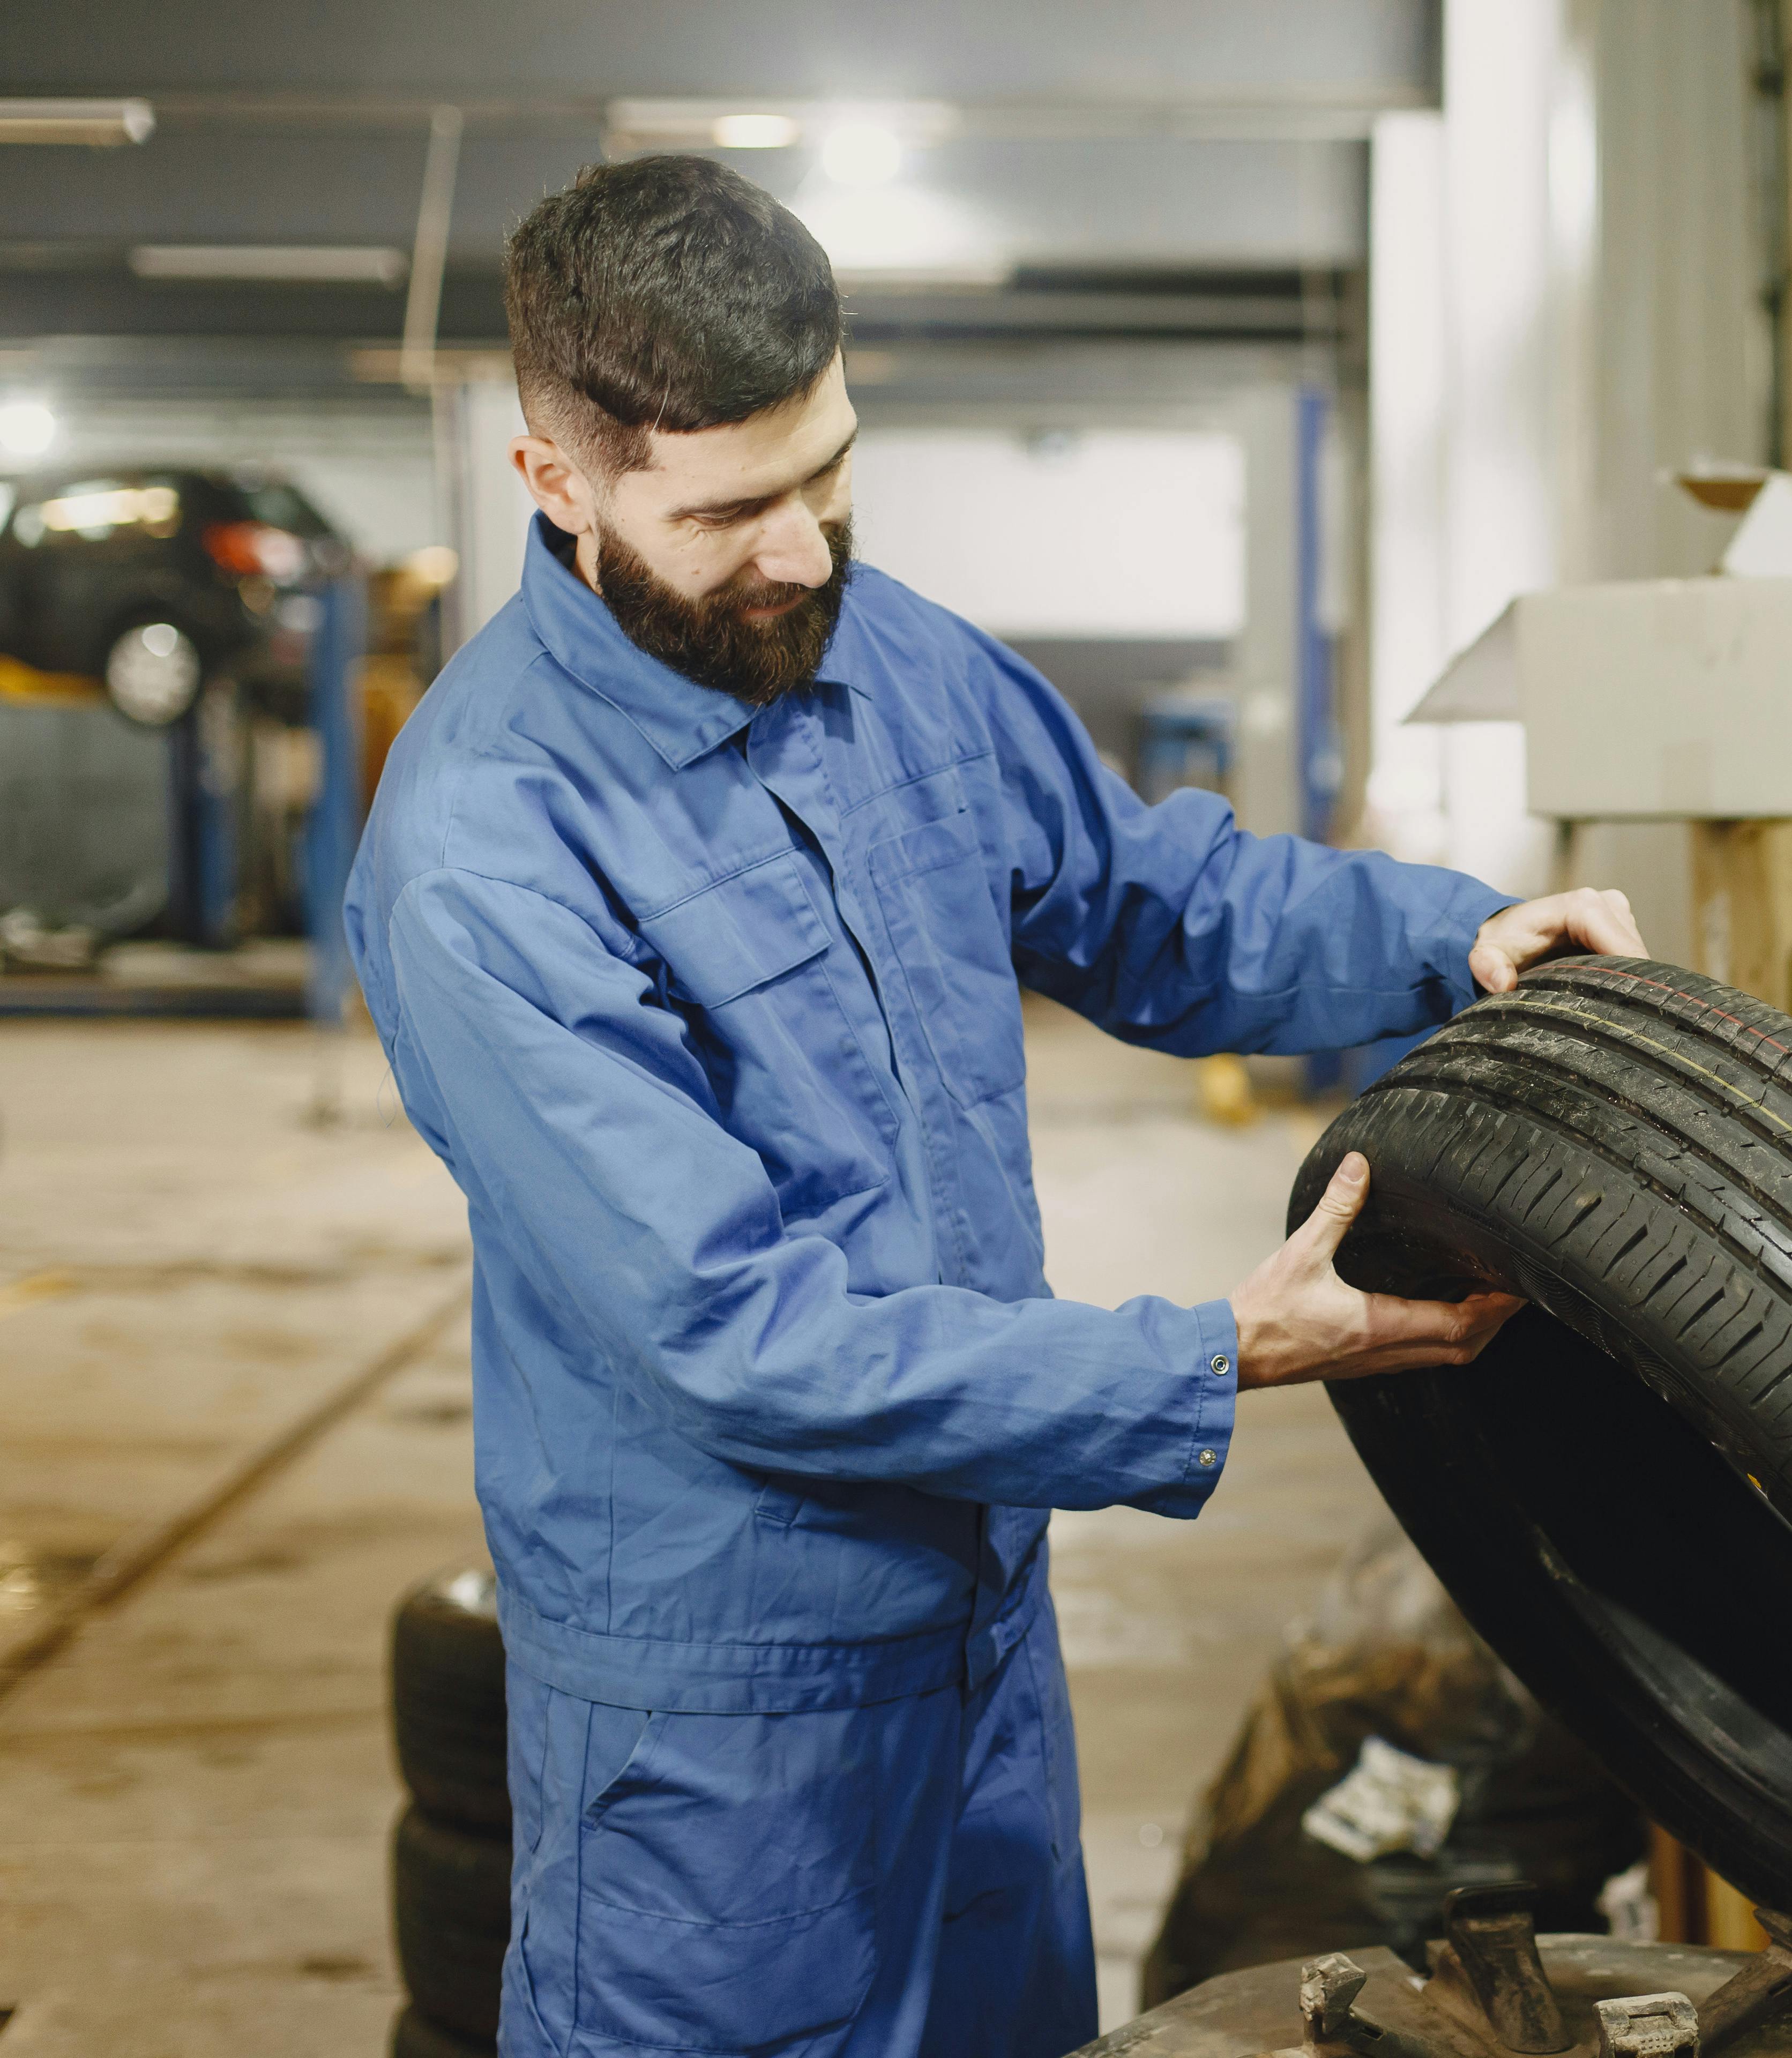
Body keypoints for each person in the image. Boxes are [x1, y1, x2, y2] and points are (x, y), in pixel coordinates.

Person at [344, 154, 1642, 2058]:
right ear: (558, 482)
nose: (800, 553)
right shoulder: (484, 851)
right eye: (728, 510)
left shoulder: (894, 659)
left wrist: (1460, 943)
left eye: (829, 471)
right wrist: (1213, 1356)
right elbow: (735, 1328)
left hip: (979, 1644)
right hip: (722, 1731)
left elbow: (1155, 903)